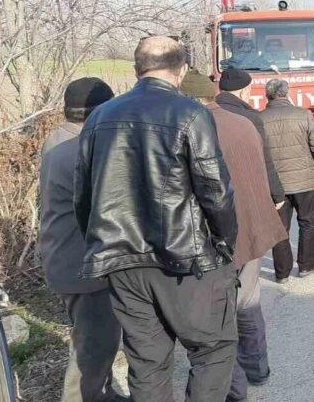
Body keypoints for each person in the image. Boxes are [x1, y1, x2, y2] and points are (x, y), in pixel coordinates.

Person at [75, 36, 239, 402]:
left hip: (122, 261)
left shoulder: (100, 117)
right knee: (212, 351)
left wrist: (101, 245)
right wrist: (227, 242)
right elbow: (215, 190)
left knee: (147, 363)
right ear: (181, 71)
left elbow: (83, 198)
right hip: (185, 260)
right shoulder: (190, 113)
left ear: (137, 70)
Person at [181, 72, 289, 402]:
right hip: (252, 229)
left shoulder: (189, 128)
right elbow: (264, 167)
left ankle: (235, 389)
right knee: (249, 303)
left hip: (218, 236)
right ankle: (258, 368)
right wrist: (276, 196)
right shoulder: (244, 121)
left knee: (219, 317)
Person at [39, 78, 124, 402]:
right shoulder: (81, 150)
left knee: (92, 339)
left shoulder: (59, 138)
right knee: (93, 346)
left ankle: (104, 393)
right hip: (81, 265)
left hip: (62, 255)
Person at [260, 78, 314, 282]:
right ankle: (306, 266)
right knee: (308, 223)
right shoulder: (303, 114)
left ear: (267, 95)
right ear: (286, 93)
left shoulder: (258, 119)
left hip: (275, 185)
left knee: (280, 229)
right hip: (304, 181)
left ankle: (282, 273)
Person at [214, 68, 286, 210]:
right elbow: (264, 158)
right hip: (246, 188)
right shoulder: (251, 118)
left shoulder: (206, 113)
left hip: (215, 188)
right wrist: (277, 193)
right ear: (243, 91)